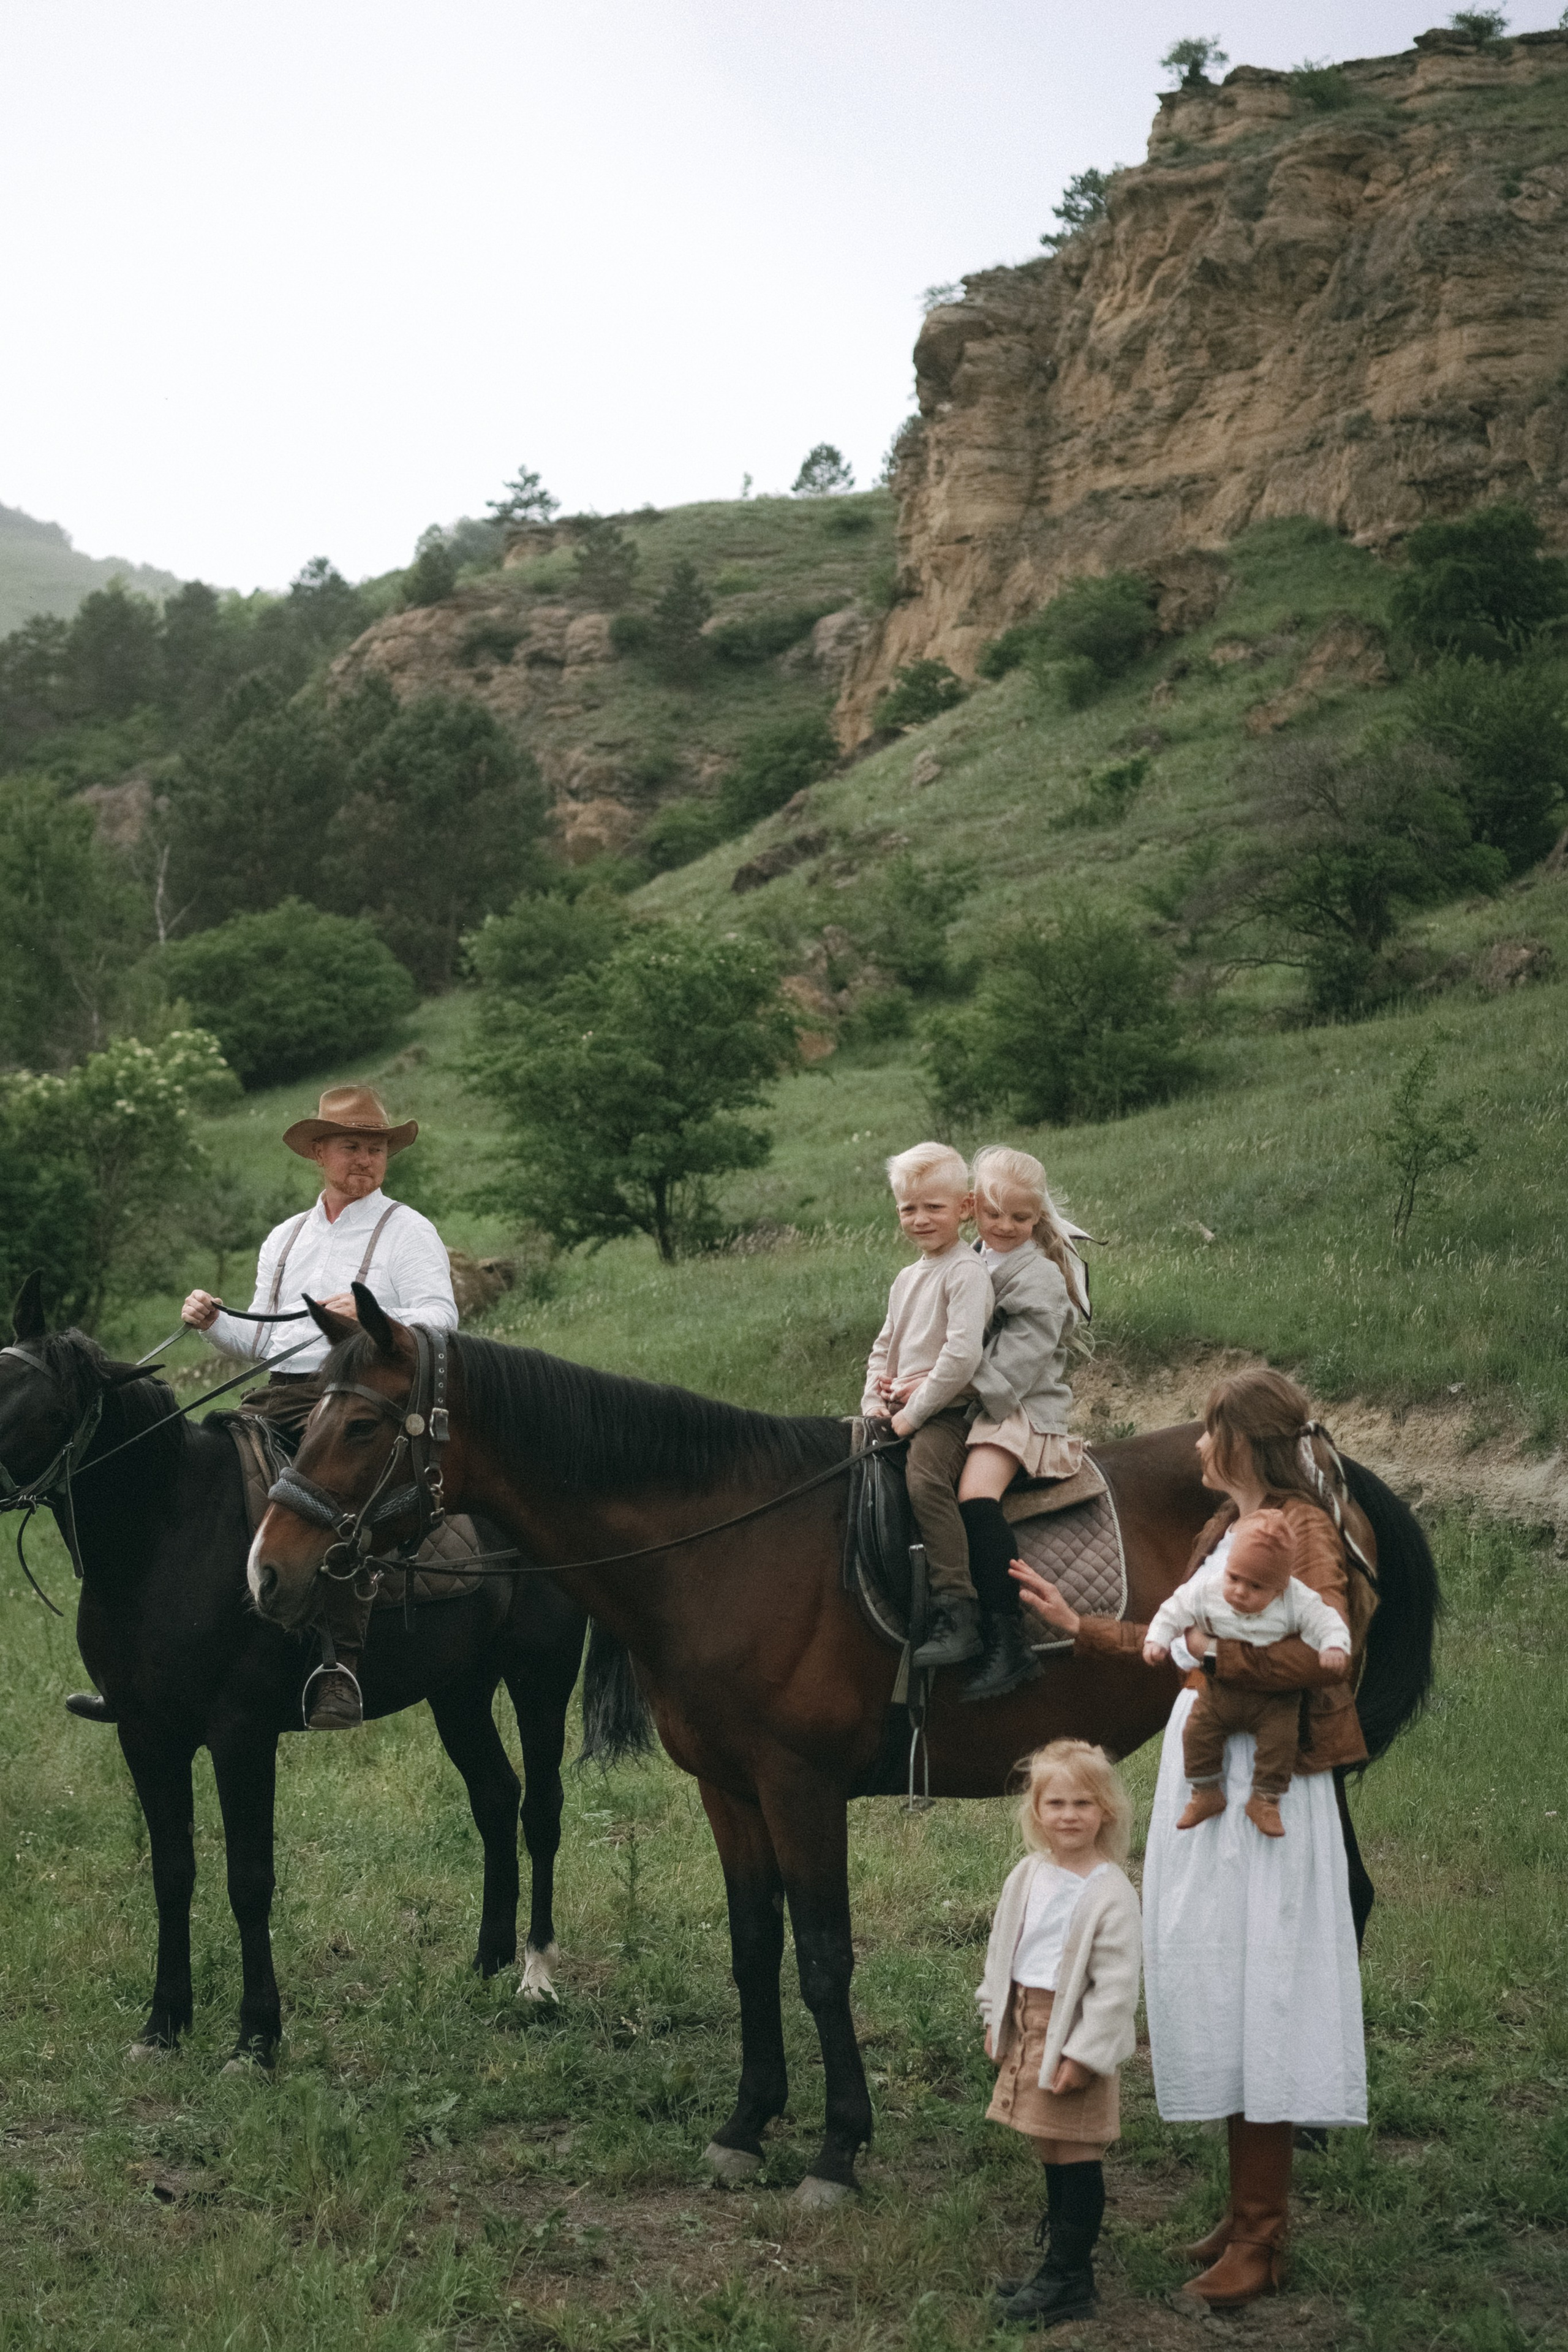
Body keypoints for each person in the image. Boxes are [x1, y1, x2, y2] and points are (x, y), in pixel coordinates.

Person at [1011, 1368, 1377, 2310]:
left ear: (1242, 1443)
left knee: (1264, 1983)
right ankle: (1246, 2211)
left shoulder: (1302, 1533)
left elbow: (1330, 1659)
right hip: (1209, 1777)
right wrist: (1079, 1626)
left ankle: (1263, 2234)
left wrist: (1221, 1658)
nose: (1197, 1448)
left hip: (1271, 1789)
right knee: (1224, 1974)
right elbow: (1180, 1640)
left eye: (1211, 1432)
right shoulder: (1230, 1528)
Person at [184, 1084, 458, 1731]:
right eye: (351, 1147)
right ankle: (184, 1649)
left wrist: (373, 1318)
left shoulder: (408, 1230)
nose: (364, 1160)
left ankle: (340, 1663)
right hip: (274, 1391)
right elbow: (260, 1341)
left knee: (330, 1499)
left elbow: (444, 1319)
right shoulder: (284, 1238)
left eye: (375, 1149)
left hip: (360, 1397)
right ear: (319, 1153)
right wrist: (213, 1321)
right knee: (200, 1481)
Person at [976, 1739, 1142, 2328]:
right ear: (1036, 1812)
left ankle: (1072, 2278)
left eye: (1083, 1804)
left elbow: (1116, 1989)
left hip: (1071, 2031)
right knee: (1048, 2141)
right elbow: (1004, 1952)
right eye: (1056, 1803)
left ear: (1106, 1813)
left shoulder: (1110, 1891)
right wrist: (997, 2015)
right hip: (1028, 2020)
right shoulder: (1028, 1875)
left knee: (1076, 2148)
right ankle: (1058, 2262)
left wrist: (1085, 2055)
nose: (1069, 1815)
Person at [956, 1144, 1090, 1705]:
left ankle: (1007, 1640)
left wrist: (938, 1387)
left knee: (975, 1494)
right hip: (966, 1401)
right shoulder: (968, 1258)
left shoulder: (1039, 1280)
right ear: (971, 1209)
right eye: (994, 1215)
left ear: (1038, 1218)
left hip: (1017, 1410)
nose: (1006, 1227)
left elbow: (1009, 1371)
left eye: (1021, 1218)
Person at [861, 1142, 992, 1669]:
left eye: (933, 1207)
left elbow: (962, 1357)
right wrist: (874, 1399)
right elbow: (883, 1345)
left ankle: (958, 1606)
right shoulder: (907, 1278)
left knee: (926, 1480)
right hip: (897, 1408)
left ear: (964, 1207)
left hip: (949, 1414)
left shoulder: (966, 1273)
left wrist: (913, 1416)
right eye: (908, 1209)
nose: (919, 1219)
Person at [1145, 1509, 1351, 1837]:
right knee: (1197, 1733)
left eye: (1255, 1586)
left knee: (1281, 1743)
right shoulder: (1209, 1591)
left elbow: (1325, 1620)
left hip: (1274, 1699)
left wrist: (1334, 1646)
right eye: (1234, 1578)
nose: (1240, 1591)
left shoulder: (1296, 1599)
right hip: (1219, 1690)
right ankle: (1205, 1791)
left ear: (1280, 1587)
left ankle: (1265, 1800)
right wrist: (1158, 1639)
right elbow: (1173, 1610)